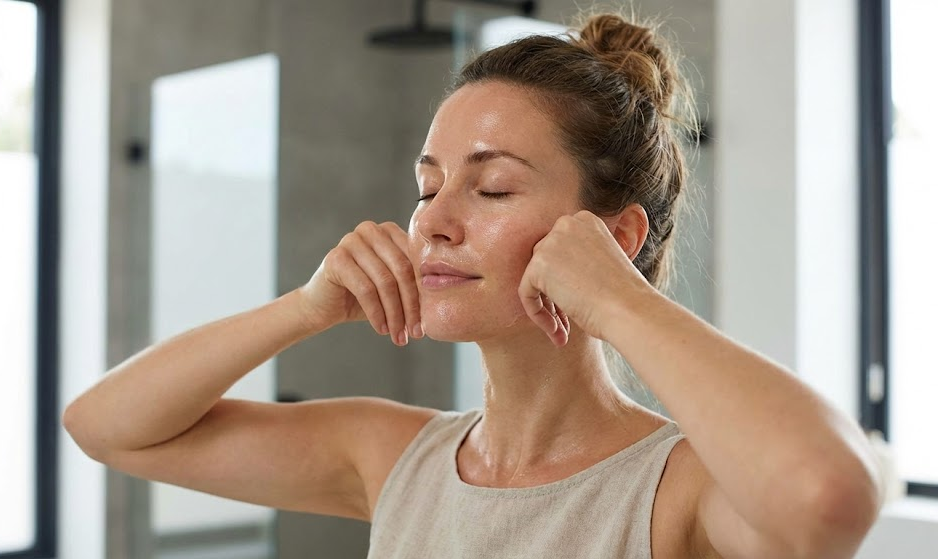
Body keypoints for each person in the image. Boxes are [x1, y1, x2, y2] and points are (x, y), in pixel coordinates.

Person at [64, 11, 882, 559]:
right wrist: (304, 308)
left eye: (491, 188)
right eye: (427, 187)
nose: (434, 221)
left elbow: (827, 494)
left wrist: (622, 299)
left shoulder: (679, 488)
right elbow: (104, 426)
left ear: (616, 236)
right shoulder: (391, 456)